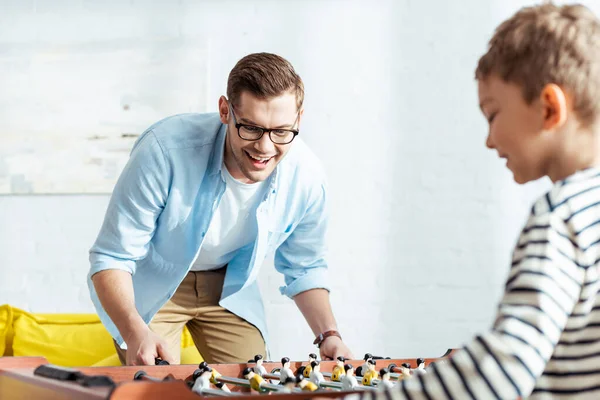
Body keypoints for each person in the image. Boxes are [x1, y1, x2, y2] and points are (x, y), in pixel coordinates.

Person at [355, 2, 600, 399]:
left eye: (493, 114)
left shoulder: (562, 218)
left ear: (550, 108)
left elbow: (503, 366)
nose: (489, 139)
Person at [87, 52, 353, 366]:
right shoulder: (163, 152)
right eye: (251, 128)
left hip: (230, 286)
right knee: (158, 382)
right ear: (225, 111)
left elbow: (305, 266)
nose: (264, 148)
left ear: (299, 119)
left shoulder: (306, 177)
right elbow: (112, 257)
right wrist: (134, 331)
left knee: (256, 383)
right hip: (155, 279)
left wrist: (329, 335)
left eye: (281, 131)